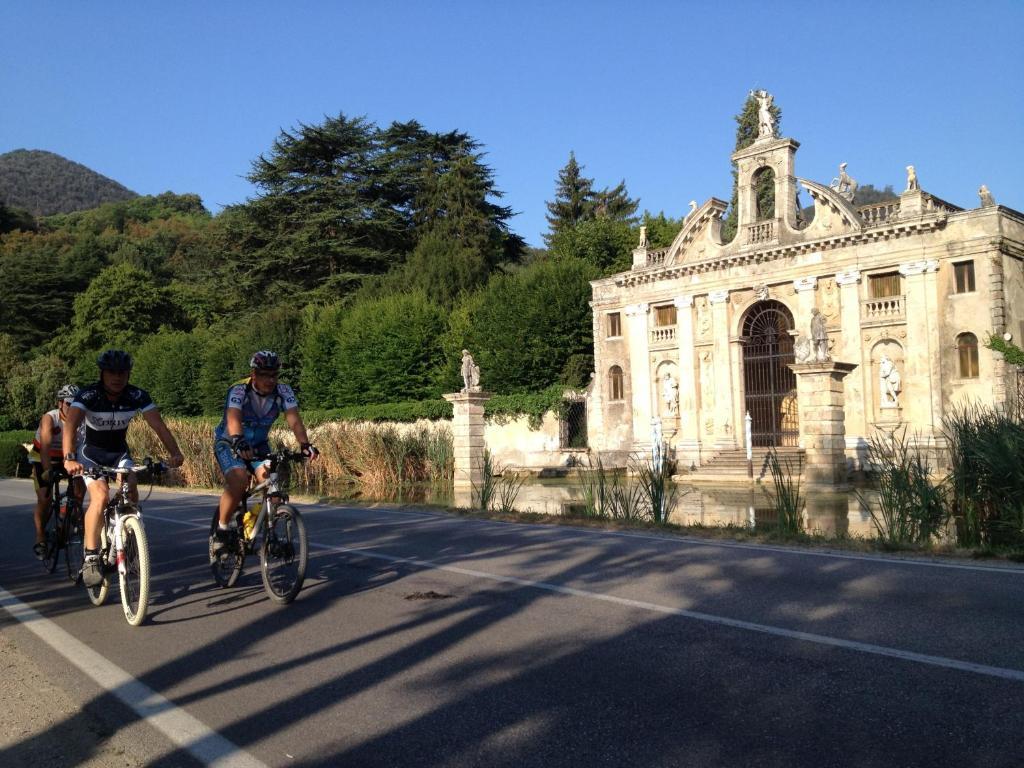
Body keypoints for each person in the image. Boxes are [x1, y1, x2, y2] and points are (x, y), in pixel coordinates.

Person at [63, 350, 184, 587]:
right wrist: (68, 457)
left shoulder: (136, 395)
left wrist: (175, 453)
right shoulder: (88, 395)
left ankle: (128, 536)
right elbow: (70, 424)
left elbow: (158, 425)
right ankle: (90, 556)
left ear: (128, 374)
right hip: (90, 454)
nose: (117, 378)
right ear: (102, 373)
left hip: (119, 453)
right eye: (111, 373)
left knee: (131, 489)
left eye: (122, 373)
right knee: (99, 496)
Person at [211, 350, 318, 553]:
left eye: (274, 375)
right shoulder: (239, 390)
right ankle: (222, 529)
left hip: (259, 444)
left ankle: (260, 525)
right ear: (254, 374)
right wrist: (238, 440)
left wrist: (305, 444)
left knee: (274, 488)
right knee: (239, 479)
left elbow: (294, 419)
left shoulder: (283, 391)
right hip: (229, 441)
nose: (270, 380)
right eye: (264, 375)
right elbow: (233, 417)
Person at [28, 385, 83, 559]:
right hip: (43, 457)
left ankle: (64, 523)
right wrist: (47, 471)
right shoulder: (50, 418)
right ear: (60, 403)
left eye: (77, 405)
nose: (73, 409)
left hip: (67, 457)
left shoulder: (84, 419)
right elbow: (45, 446)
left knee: (79, 490)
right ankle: (40, 536)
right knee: (44, 497)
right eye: (69, 404)